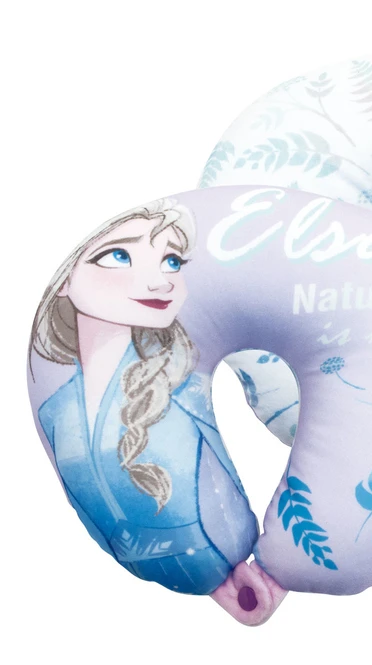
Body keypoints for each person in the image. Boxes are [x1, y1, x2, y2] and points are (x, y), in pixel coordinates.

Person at [30, 198, 258, 595]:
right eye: (119, 256)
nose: (160, 281)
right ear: (65, 282)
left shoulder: (179, 391)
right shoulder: (55, 409)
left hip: (201, 554)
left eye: (172, 261)